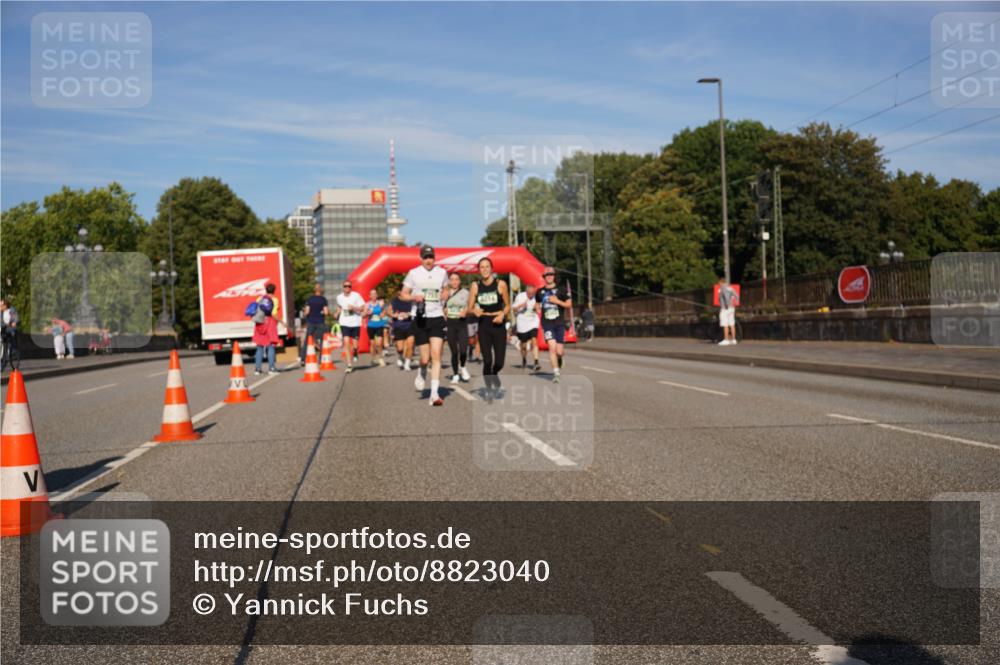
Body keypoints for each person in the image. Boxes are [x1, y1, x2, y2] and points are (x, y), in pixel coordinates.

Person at [400, 245, 450, 406]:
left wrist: (444, 295)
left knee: (436, 355)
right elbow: (403, 294)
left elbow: (446, 290)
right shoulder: (413, 273)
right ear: (421, 258)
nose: (429, 260)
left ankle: (434, 394)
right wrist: (415, 297)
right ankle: (421, 371)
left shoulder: (441, 272)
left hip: (436, 317)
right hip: (420, 318)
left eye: (431, 257)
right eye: (426, 257)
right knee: (425, 358)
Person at [469, 257, 511, 402]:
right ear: (479, 270)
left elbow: (507, 305)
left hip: (498, 323)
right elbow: (469, 307)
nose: (485, 269)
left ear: (492, 268)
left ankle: (494, 373)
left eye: (487, 266)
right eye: (482, 267)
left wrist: (502, 314)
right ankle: (489, 389)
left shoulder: (501, 284)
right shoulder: (475, 286)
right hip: (484, 323)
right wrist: (475, 310)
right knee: (487, 360)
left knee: (499, 362)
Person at [535, 266, 572, 383]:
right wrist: (537, 309)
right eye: (547, 275)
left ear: (554, 276)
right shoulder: (540, 292)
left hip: (559, 323)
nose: (549, 276)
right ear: (544, 277)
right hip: (547, 324)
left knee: (559, 351)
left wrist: (557, 301)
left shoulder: (561, 290)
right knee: (552, 348)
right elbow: (537, 303)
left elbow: (569, 304)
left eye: (551, 274)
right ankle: (556, 373)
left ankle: (560, 359)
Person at [444, 272, 472, 384]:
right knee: (454, 352)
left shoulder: (466, 293)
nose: (454, 281)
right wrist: (444, 311)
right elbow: (440, 306)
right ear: (449, 281)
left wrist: (465, 311)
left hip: (462, 324)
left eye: (456, 279)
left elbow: (471, 307)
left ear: (460, 281)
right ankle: (455, 374)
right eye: (452, 279)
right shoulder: (445, 293)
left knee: (464, 350)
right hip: (450, 325)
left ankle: (463, 366)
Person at [334, 279, 366, 373]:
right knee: (346, 343)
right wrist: (337, 313)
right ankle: (349, 364)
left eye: (349, 286)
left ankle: (355, 351)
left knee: (355, 344)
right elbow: (340, 307)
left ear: (351, 288)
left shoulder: (356, 296)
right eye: (345, 286)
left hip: (355, 322)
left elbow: (363, 307)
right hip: (344, 322)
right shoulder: (339, 297)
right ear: (343, 287)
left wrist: (354, 307)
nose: (347, 288)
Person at [252, 283, 281, 375]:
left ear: (266, 290)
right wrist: (281, 321)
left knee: (259, 346)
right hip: (270, 323)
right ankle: (271, 368)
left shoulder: (259, 299)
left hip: (260, 323)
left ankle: (257, 369)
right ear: (274, 290)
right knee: (271, 346)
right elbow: (273, 313)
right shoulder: (275, 300)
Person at [512, 283, 540, 371]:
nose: (531, 295)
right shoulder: (520, 297)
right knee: (523, 346)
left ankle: (536, 362)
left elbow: (539, 309)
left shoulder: (537, 297)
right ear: (526, 291)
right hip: (522, 324)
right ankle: (524, 359)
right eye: (529, 294)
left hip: (533, 322)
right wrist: (521, 306)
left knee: (534, 340)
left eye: (532, 293)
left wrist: (537, 308)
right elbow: (513, 309)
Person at [300, 284, 330, 366]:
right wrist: (324, 312)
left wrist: (305, 312)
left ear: (314, 290)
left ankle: (303, 359)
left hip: (311, 322)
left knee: (307, 341)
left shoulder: (310, 299)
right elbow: (326, 312)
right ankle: (321, 359)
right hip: (320, 322)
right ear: (321, 291)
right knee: (321, 341)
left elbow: (307, 312)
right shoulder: (323, 300)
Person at [365, 289, 387, 367]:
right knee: (373, 344)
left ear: (376, 296)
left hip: (379, 325)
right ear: (370, 296)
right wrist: (368, 313)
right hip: (371, 326)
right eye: (372, 294)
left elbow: (385, 311)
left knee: (379, 343)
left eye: (375, 294)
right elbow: (363, 314)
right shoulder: (367, 304)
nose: (374, 296)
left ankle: (380, 358)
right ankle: (373, 358)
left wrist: (383, 314)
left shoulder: (380, 303)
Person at [717, 277, 738, 346]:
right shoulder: (730, 288)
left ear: (721, 282)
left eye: (719, 283)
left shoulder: (723, 288)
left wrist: (726, 304)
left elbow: (725, 297)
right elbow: (736, 296)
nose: (718, 284)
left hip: (725, 308)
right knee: (732, 324)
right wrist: (733, 303)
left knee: (725, 324)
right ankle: (734, 339)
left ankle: (726, 340)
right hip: (732, 307)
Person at [1, 298, 20, 372]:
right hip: (4, 329)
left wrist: (15, 322)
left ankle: (13, 352)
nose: (0, 307)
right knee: (4, 346)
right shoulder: (1, 312)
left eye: (2, 305)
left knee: (12, 345)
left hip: (11, 329)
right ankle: (3, 361)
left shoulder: (12, 310)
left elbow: (16, 318)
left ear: (6, 305)